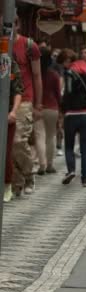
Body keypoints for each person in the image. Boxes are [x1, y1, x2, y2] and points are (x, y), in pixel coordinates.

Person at [57, 48, 86, 187]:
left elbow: (69, 93)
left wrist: (63, 108)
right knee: (85, 148)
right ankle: (85, 180)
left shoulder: (70, 72)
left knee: (69, 146)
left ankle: (71, 170)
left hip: (72, 114)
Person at [12, 15, 43, 197]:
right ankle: (16, 182)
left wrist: (38, 104)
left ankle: (28, 174)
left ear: (17, 24)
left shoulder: (29, 46)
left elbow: (37, 75)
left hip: (24, 98)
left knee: (18, 141)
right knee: (6, 145)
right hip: (4, 100)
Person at [36, 47, 61, 175]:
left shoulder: (34, 73)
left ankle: (41, 165)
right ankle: (50, 165)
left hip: (38, 107)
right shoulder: (54, 74)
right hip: (52, 108)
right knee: (51, 136)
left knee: (40, 136)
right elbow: (58, 93)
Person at [4, 60, 24, 202]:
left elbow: (17, 91)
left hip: (6, 115)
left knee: (5, 153)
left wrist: (13, 112)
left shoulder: (10, 63)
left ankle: (7, 186)